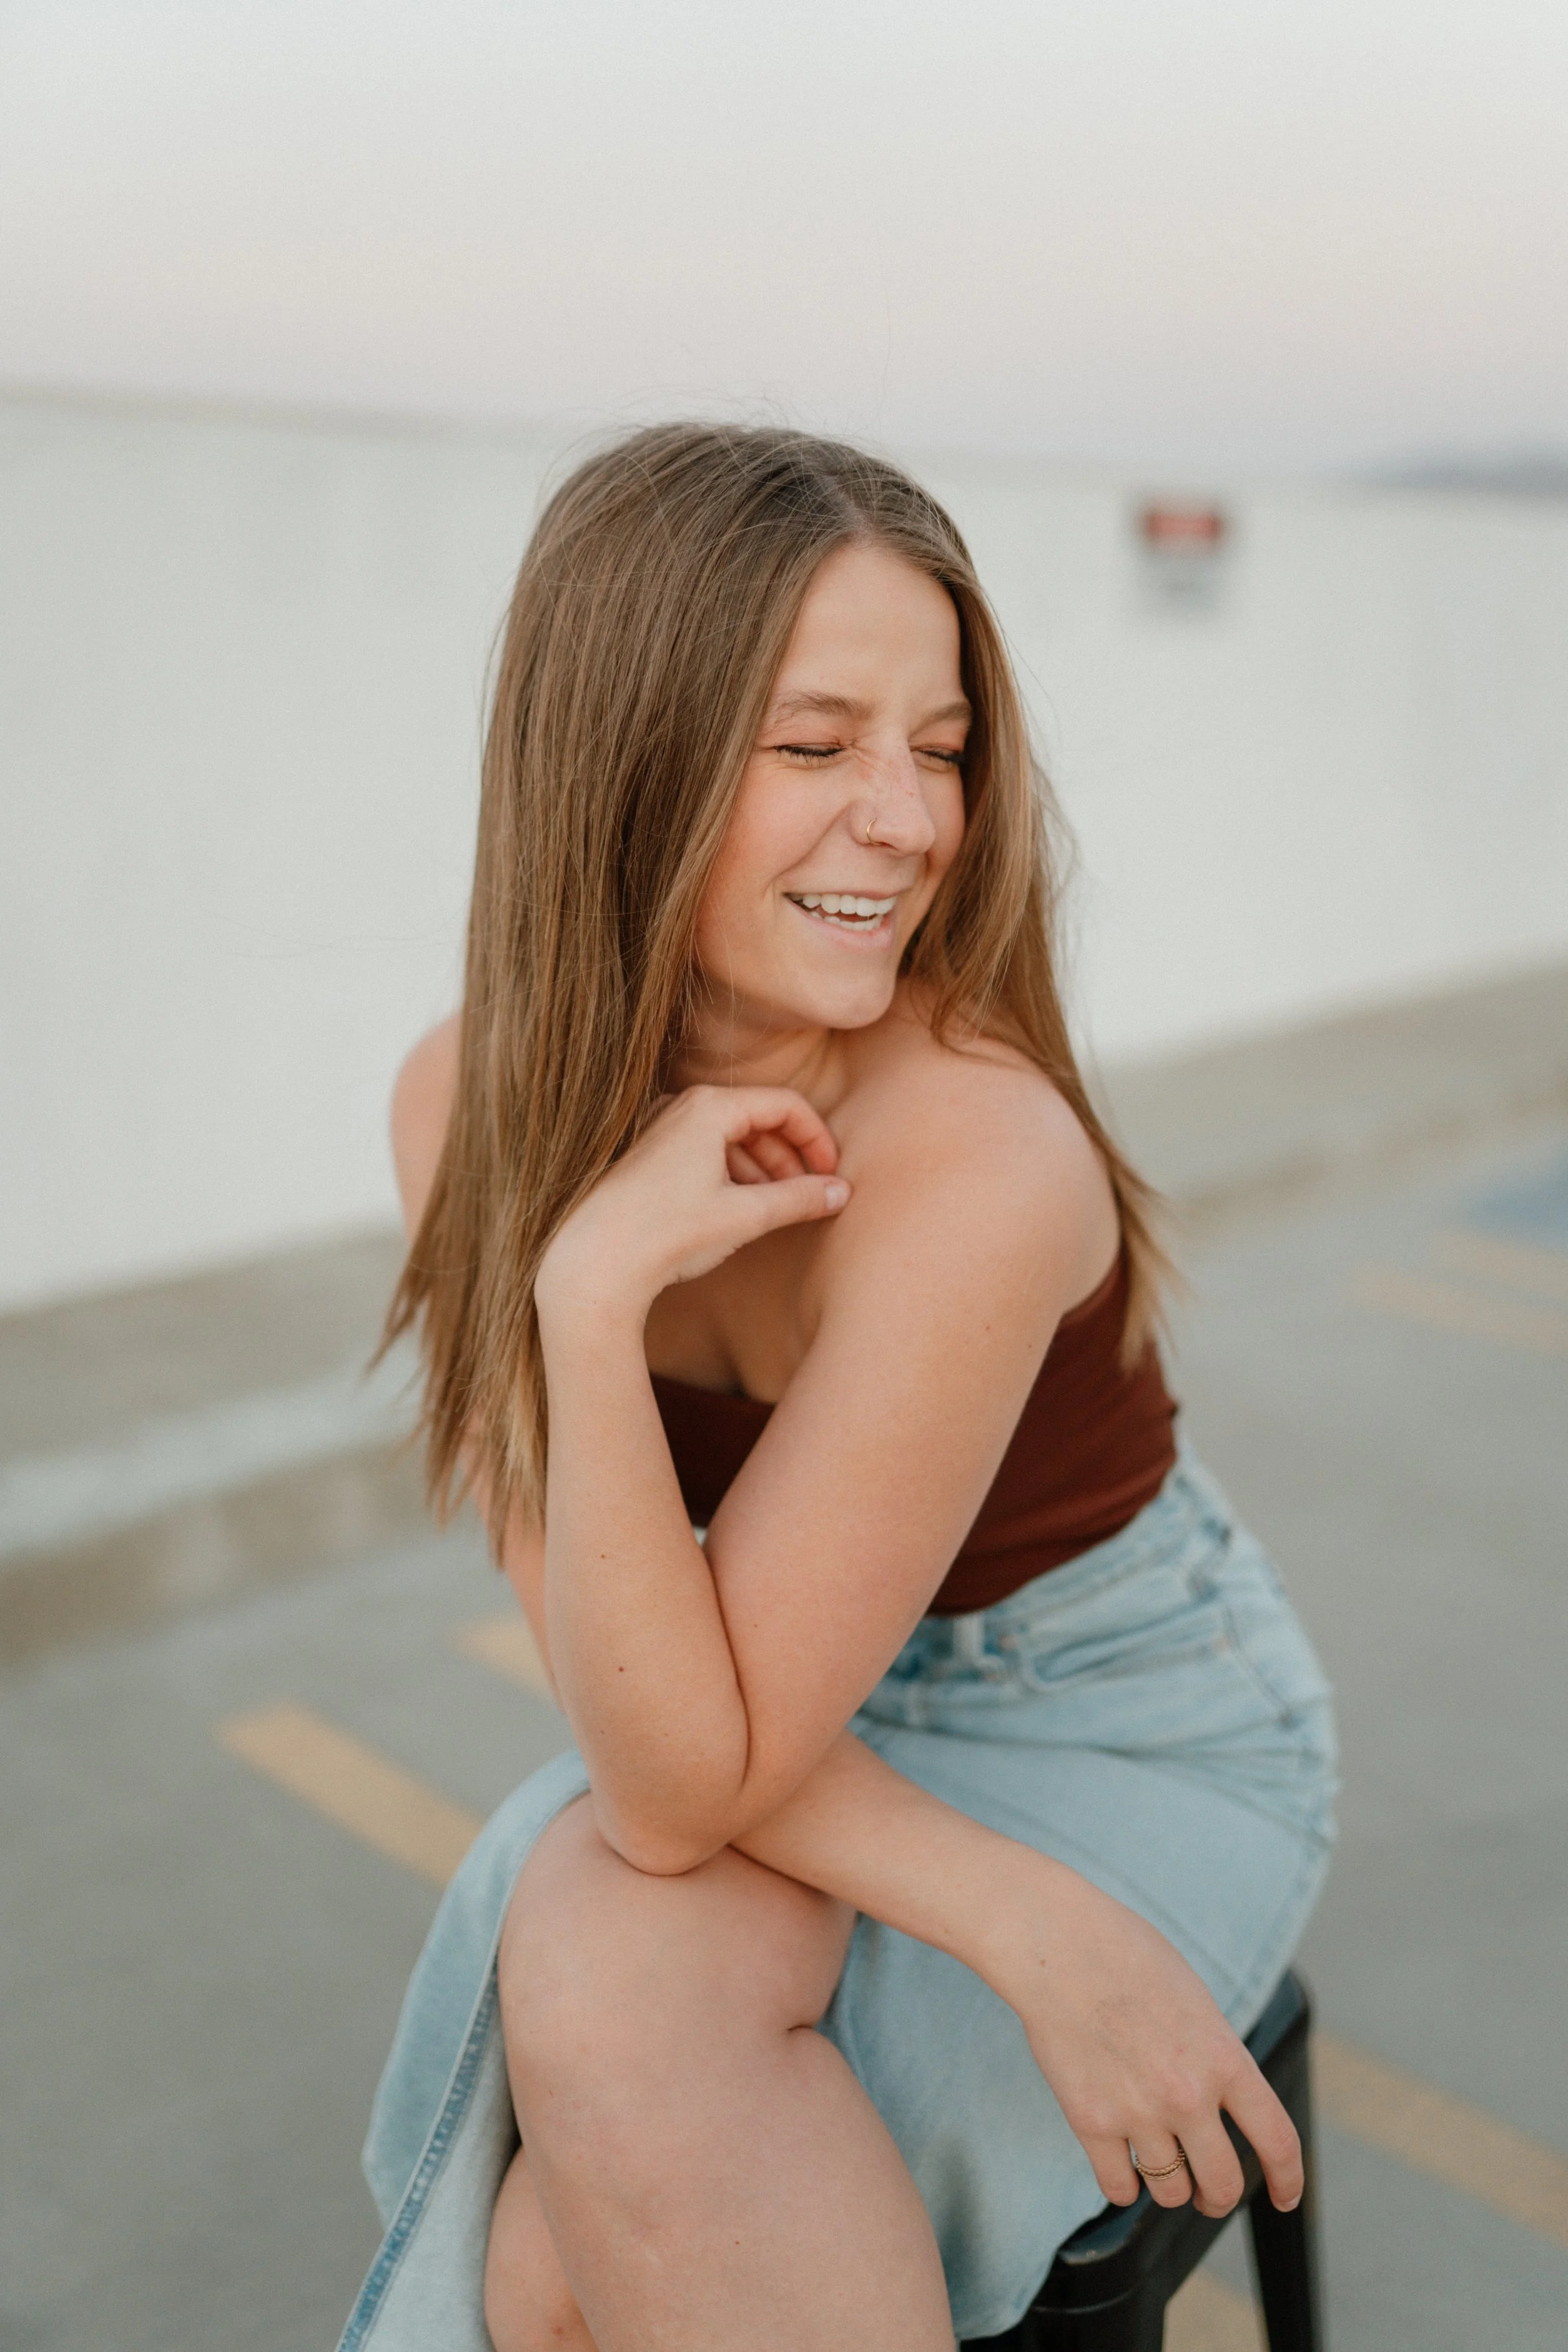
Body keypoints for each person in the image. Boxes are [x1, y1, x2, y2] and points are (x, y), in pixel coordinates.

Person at [337, 424, 1337, 2352]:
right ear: (623, 763)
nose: (904, 818)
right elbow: (666, 1760)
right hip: (763, 1703)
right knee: (623, 1977)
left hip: (1120, 1718)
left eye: (940, 745)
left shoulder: (977, 1155)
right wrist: (583, 1285)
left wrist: (1045, 1901)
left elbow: (673, 1774)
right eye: (814, 747)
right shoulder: (462, 1104)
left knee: (565, 2225)